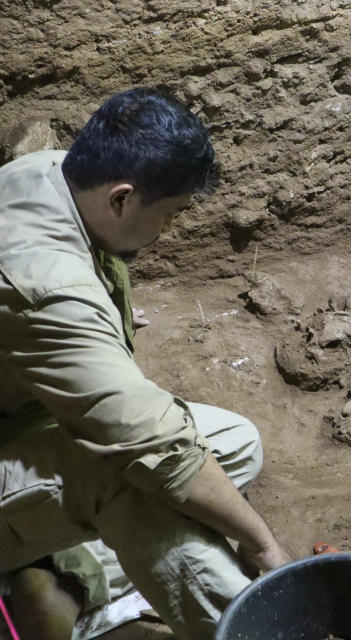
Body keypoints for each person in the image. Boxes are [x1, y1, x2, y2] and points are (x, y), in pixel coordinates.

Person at [0, 87, 290, 639]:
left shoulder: (50, 174)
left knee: (236, 442)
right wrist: (264, 544)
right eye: (170, 214)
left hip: (21, 419)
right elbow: (153, 447)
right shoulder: (45, 284)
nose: (169, 230)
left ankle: (60, 573)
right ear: (123, 199)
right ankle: (250, 630)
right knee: (135, 479)